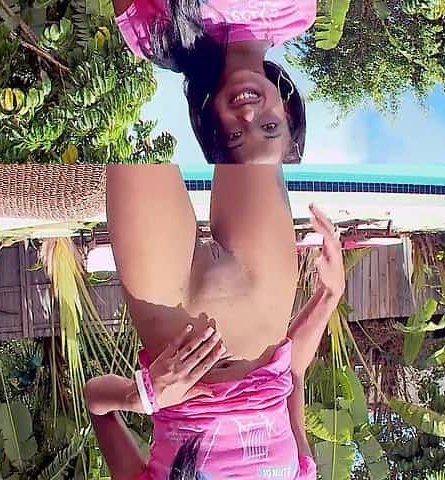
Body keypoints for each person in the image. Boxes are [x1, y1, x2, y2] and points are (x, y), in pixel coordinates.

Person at [85, 164, 345, 479]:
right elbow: (291, 376)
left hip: (166, 310)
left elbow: (95, 401)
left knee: (136, 149)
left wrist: (140, 397)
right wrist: (329, 295)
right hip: (262, 295)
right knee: (252, 135)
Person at [112, 0, 312, 164]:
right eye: (270, 126)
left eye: (235, 135)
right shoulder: (296, 13)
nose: (248, 113)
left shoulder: (155, 39)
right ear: (287, 112)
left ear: (215, 127)